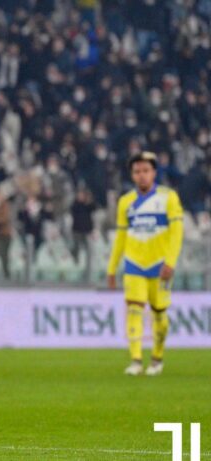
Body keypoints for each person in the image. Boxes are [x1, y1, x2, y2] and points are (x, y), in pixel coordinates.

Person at [107, 151, 183, 377]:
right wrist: (112, 267)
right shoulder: (125, 202)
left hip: (160, 266)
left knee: (159, 314)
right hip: (134, 264)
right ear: (132, 175)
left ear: (154, 173)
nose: (141, 175)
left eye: (146, 171)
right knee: (134, 310)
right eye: (137, 171)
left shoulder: (169, 198)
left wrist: (170, 262)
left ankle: (157, 358)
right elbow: (121, 236)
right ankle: (136, 360)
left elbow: (177, 232)